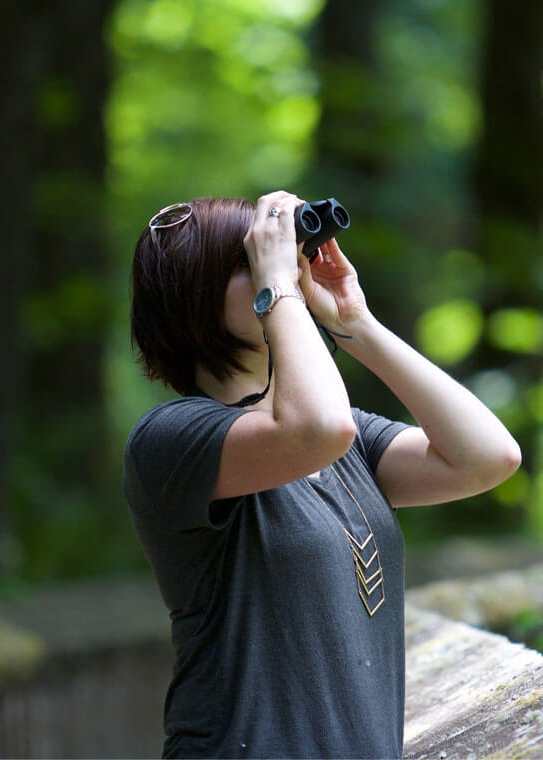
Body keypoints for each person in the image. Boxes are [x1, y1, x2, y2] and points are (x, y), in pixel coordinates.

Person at [124, 190, 521, 759]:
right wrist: (280, 288)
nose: (286, 265)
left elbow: (487, 458)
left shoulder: (341, 437)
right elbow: (316, 428)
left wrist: (355, 322)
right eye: (254, 260)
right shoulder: (171, 439)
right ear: (194, 295)